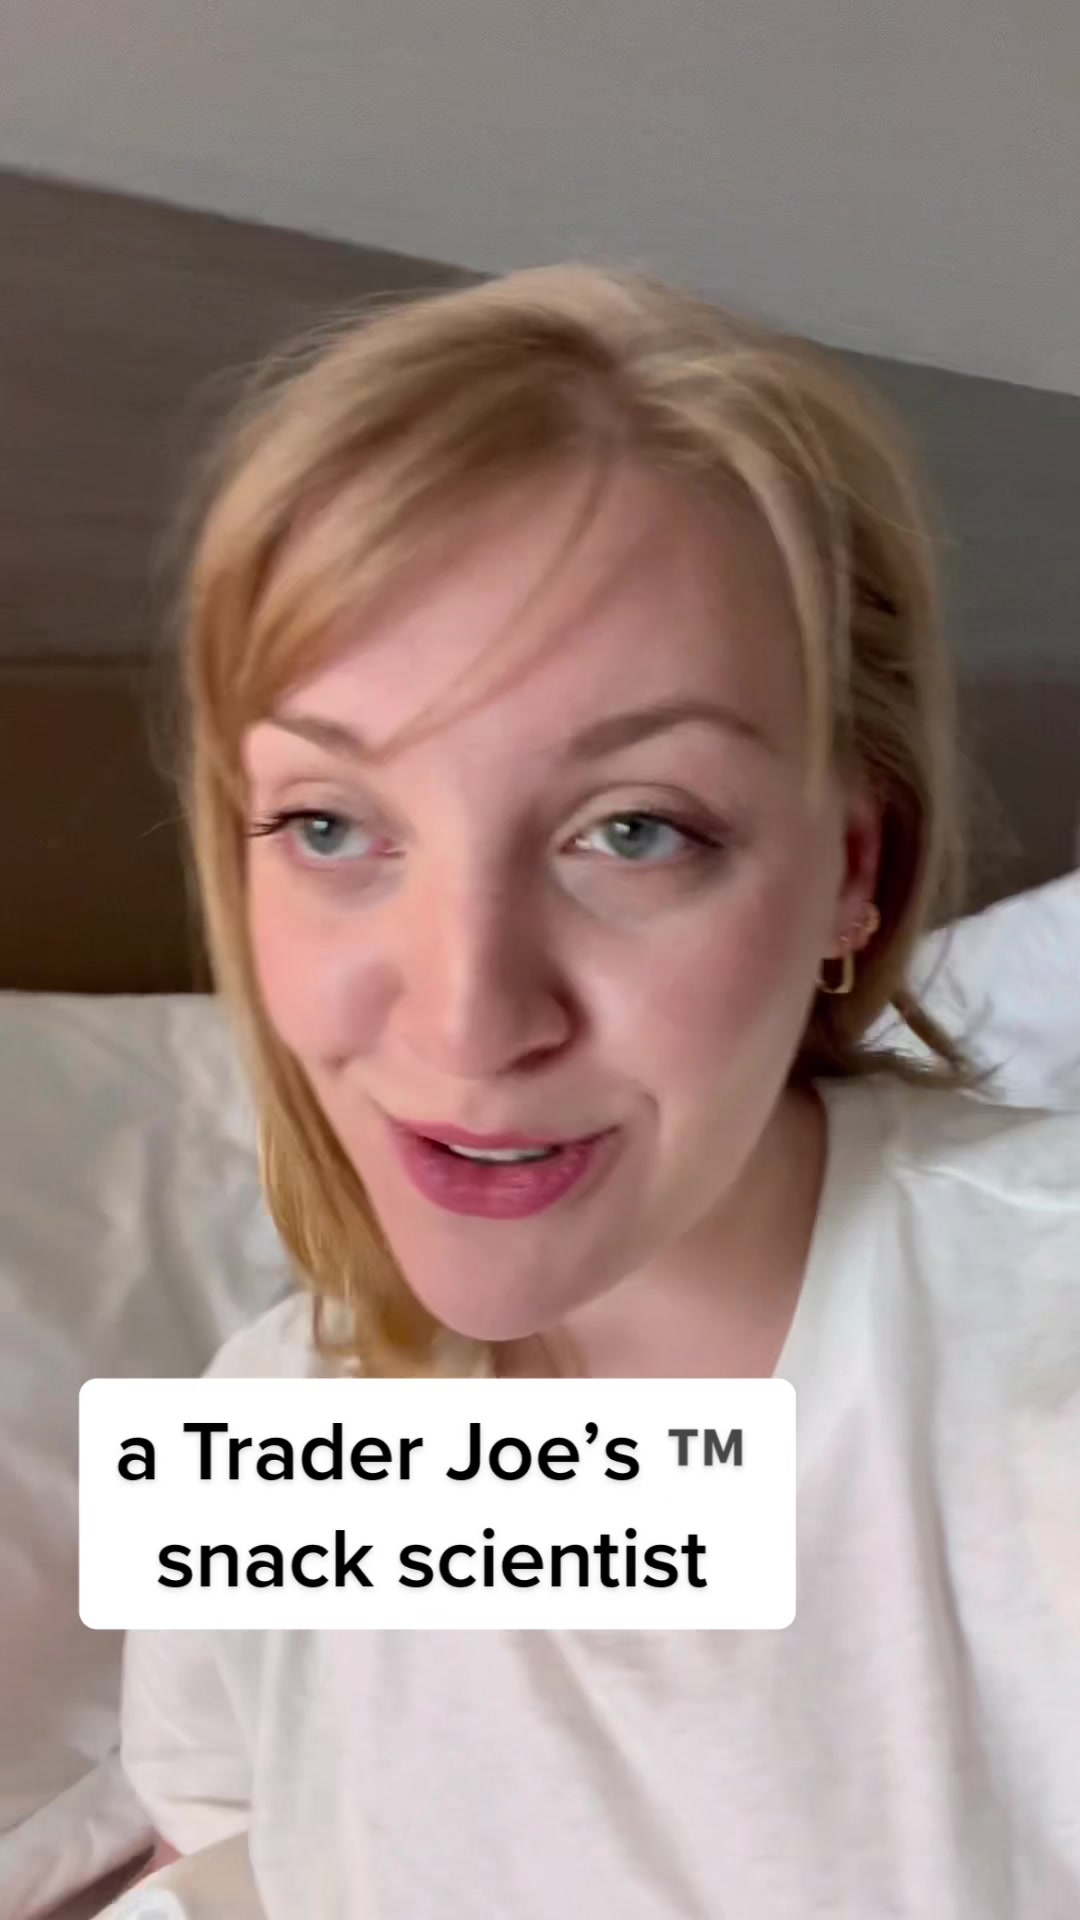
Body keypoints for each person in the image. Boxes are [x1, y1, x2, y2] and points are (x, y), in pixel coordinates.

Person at [120, 265, 1080, 1917]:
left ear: (852, 872)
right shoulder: (283, 1418)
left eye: (635, 830)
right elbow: (221, 1843)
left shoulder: (1037, 1375)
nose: (467, 1022)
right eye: (332, 825)